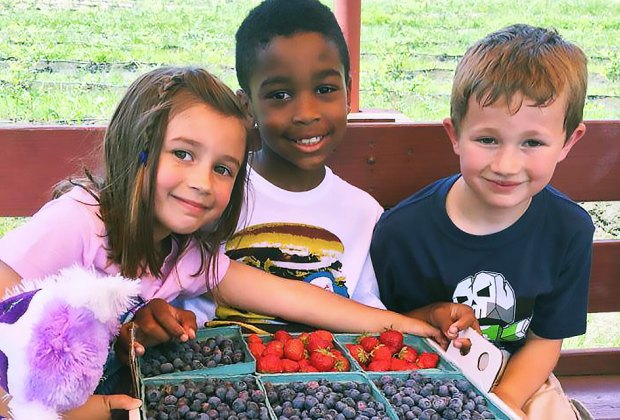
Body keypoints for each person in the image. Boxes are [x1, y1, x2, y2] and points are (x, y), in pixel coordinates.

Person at [0, 65, 446, 417]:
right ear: (136, 146)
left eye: (223, 168)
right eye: (183, 154)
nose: (201, 182)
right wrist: (75, 413)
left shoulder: (184, 255)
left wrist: (410, 327)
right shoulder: (79, 222)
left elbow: (295, 298)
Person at [179, 0, 476, 339]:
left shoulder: (363, 214)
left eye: (325, 89)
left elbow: (371, 318)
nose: (306, 112)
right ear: (247, 107)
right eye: (279, 94)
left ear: (348, 91)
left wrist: (431, 316)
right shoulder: (216, 192)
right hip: (213, 379)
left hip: (331, 383)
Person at [371, 24, 594, 419]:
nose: (506, 165)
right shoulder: (402, 231)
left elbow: (545, 340)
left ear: (569, 142)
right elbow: (387, 327)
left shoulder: (568, 230)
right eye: (488, 139)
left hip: (520, 375)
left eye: (532, 142)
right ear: (455, 134)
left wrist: (501, 403)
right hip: (423, 378)